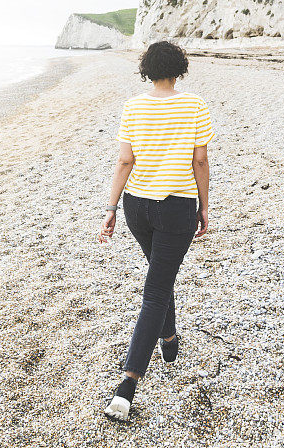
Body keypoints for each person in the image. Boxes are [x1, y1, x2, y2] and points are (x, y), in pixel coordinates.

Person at [99, 40, 215, 421]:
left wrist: (112, 207)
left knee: (159, 278)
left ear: (147, 70)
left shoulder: (134, 107)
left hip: (136, 207)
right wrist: (204, 205)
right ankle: (127, 387)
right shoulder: (194, 105)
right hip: (176, 207)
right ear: (179, 68)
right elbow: (199, 159)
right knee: (157, 289)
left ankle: (168, 338)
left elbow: (124, 161)